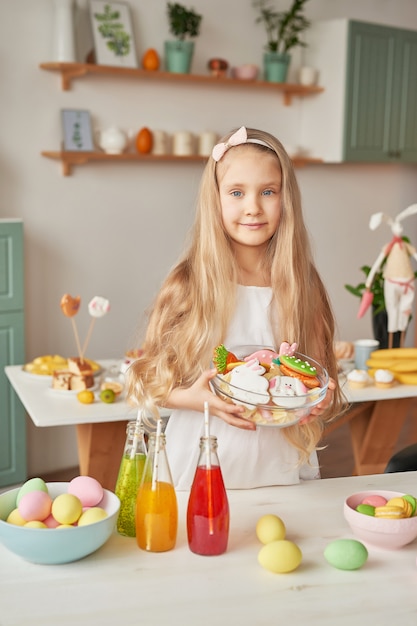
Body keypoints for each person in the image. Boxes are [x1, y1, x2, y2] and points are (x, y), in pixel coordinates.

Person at [127, 126, 345, 490]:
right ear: (215, 200)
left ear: (285, 198)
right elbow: (149, 382)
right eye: (237, 192)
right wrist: (192, 399)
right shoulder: (188, 283)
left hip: (282, 467)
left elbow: (322, 379)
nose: (253, 207)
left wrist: (321, 399)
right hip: (199, 463)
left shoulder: (302, 285)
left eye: (268, 192)